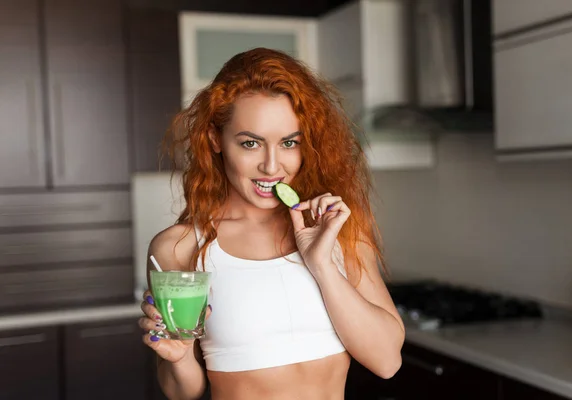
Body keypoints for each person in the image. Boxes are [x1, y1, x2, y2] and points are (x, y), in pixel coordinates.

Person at [139, 47, 405, 400]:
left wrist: (322, 265)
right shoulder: (179, 247)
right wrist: (179, 357)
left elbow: (387, 361)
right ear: (216, 140)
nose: (271, 166)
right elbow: (182, 392)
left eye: (289, 143)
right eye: (251, 143)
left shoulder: (334, 231)